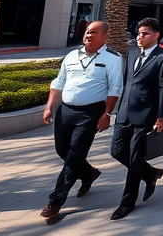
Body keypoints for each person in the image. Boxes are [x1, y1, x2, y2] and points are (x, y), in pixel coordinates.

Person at [40, 21, 123, 220]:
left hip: (90, 113)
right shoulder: (71, 56)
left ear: (104, 37)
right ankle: (88, 174)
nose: (88, 35)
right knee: (63, 151)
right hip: (66, 110)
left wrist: (107, 114)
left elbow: (115, 88)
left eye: (93, 32)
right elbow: (59, 82)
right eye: (87, 31)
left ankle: (55, 201)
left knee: (75, 154)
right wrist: (49, 106)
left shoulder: (113, 58)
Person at [109, 17, 163, 220]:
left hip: (146, 114)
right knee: (117, 151)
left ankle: (127, 202)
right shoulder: (133, 54)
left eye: (145, 33)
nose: (140, 37)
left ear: (156, 35)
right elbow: (127, 83)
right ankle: (150, 174)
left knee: (136, 158)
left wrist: (161, 117)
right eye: (139, 33)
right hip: (124, 112)